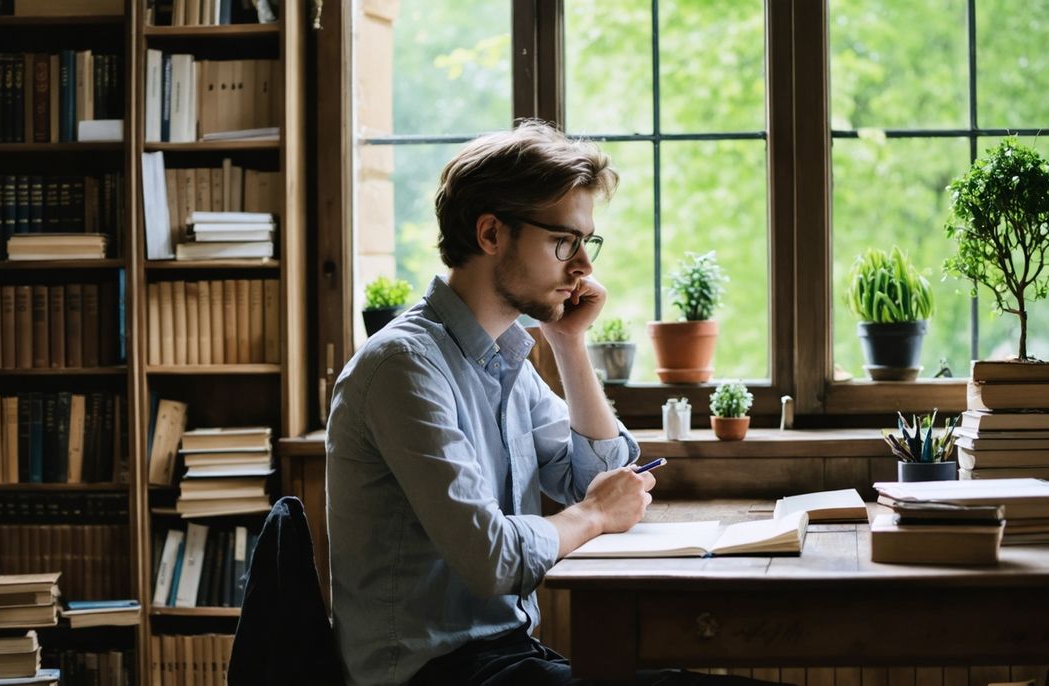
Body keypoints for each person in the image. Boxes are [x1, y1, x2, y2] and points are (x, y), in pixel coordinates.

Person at [326, 120, 762, 686]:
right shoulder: (403, 368)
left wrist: (567, 342)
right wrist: (595, 515)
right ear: (491, 234)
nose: (583, 267)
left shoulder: (504, 357)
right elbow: (493, 559)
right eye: (564, 242)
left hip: (506, 658)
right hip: (437, 675)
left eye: (587, 243)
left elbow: (605, 475)